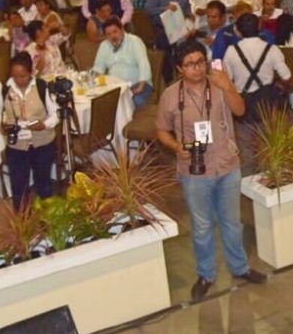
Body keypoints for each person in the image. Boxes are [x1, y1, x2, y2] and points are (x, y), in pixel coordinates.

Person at [155, 41, 266, 301]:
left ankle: (240, 267)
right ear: (179, 68)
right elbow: (161, 130)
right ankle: (206, 275)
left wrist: (228, 86)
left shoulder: (219, 83)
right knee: (202, 226)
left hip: (227, 163)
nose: (197, 68)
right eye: (190, 64)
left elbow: (240, 110)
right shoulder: (170, 96)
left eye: (200, 62)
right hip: (194, 170)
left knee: (232, 222)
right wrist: (176, 146)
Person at [1, 52, 57, 209]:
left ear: (31, 72)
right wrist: (3, 125)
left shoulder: (41, 87)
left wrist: (43, 125)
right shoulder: (4, 89)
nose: (19, 80)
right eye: (15, 76)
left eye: (23, 76)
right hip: (17, 147)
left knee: (44, 185)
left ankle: (48, 217)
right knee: (19, 188)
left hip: (42, 144)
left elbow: (55, 115)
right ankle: (22, 220)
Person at [93, 18, 153, 108]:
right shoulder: (104, 45)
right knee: (99, 102)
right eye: (109, 34)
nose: (113, 36)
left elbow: (143, 64)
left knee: (135, 102)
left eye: (115, 31)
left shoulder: (134, 41)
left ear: (121, 29)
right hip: (114, 86)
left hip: (136, 84)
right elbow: (99, 67)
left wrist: (140, 88)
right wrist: (94, 84)